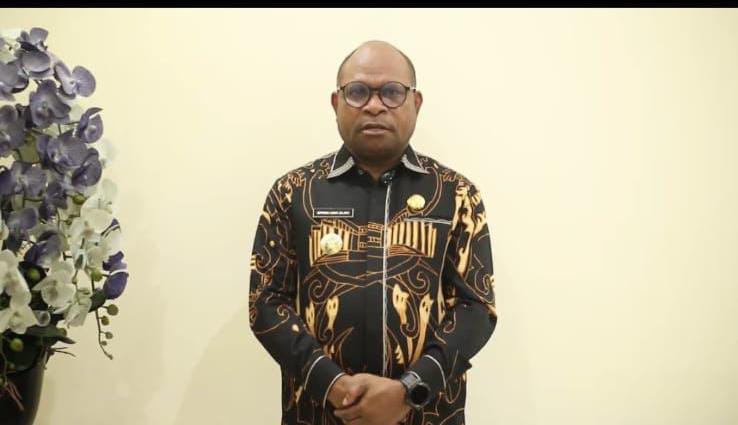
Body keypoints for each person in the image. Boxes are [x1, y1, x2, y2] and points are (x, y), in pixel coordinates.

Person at [249, 40, 497, 425]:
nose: (375, 105)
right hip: (318, 413)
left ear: (416, 102)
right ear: (336, 103)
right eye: (358, 92)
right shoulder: (293, 192)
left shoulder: (456, 194)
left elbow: (476, 308)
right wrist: (332, 385)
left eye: (392, 92)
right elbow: (265, 303)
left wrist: (410, 390)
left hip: (426, 414)